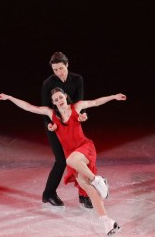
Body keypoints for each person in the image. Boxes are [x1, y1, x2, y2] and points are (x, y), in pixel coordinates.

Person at [0, 88, 126, 236]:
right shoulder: (51, 114)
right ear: (53, 102)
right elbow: (29, 107)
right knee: (89, 189)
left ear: (65, 96)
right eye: (55, 100)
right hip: (73, 157)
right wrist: (9, 97)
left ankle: (98, 179)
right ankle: (107, 222)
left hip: (85, 148)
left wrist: (114, 96)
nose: (59, 101)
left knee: (70, 161)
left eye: (60, 97)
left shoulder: (77, 107)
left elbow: (95, 102)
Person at [42, 52, 92, 208]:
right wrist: (50, 124)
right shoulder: (48, 83)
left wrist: (82, 115)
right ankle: (48, 194)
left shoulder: (77, 79)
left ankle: (84, 195)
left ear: (67, 64)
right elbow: (45, 107)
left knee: (79, 159)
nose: (58, 72)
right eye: (55, 69)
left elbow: (80, 102)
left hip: (72, 122)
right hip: (54, 124)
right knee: (62, 160)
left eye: (61, 68)